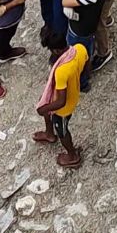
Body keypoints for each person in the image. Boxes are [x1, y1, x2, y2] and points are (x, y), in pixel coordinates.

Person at [34, 37, 89, 169]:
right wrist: (80, 80)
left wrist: (43, 109)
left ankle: (72, 156)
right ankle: (49, 134)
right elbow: (88, 65)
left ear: (57, 50)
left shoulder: (61, 71)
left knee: (62, 130)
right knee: (46, 106)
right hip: (69, 92)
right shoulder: (79, 48)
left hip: (64, 108)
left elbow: (60, 101)